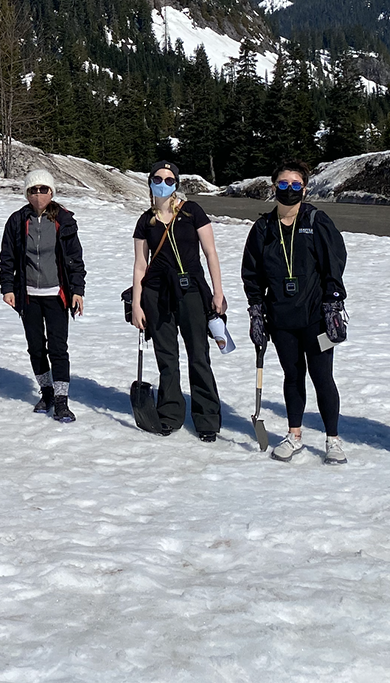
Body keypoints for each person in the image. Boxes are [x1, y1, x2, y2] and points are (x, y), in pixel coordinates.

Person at [241, 160, 349, 464]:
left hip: (317, 318)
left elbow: (335, 261)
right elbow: (252, 273)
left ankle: (333, 439)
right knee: (292, 375)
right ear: (274, 187)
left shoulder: (316, 220)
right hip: (282, 319)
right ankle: (294, 435)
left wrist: (333, 301)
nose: (289, 190)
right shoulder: (263, 228)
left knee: (322, 376)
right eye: (283, 185)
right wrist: (256, 310)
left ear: (305, 187)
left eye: (295, 185)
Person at [129, 161, 228, 440]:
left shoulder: (192, 211)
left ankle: (207, 419)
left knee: (199, 355)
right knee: (166, 357)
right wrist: (137, 304)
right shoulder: (145, 220)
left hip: (192, 292)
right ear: (150, 182)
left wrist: (217, 292)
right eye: (158, 178)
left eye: (169, 180)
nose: (163, 184)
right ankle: (170, 414)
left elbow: (210, 253)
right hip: (157, 295)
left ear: (177, 184)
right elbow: (140, 265)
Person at [0, 168, 86, 421]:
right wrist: (7, 288)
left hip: (57, 294)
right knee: (36, 347)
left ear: (52, 192)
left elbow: (75, 260)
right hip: (27, 295)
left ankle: (61, 399)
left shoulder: (64, 220)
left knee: (58, 347)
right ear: (27, 193)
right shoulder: (17, 221)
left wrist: (77, 291)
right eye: (33, 190)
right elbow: (8, 258)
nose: (38, 195)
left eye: (43, 190)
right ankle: (46, 391)